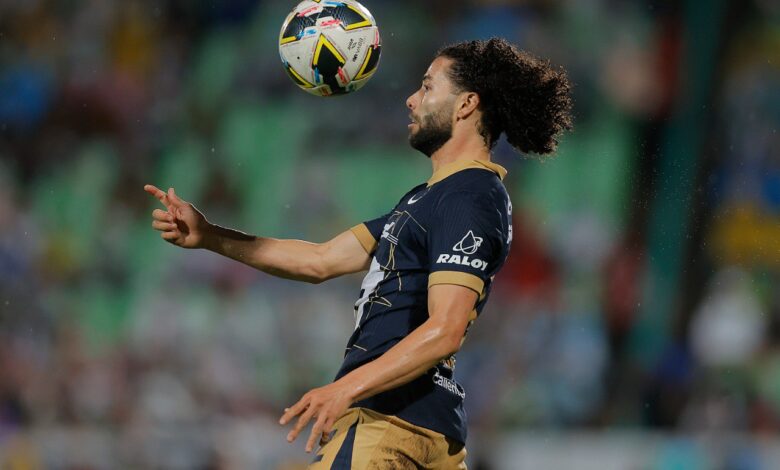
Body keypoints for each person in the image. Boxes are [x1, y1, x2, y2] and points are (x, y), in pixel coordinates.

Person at [145, 37, 572, 468]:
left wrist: (346, 388)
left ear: (466, 104)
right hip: (422, 429)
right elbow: (320, 260)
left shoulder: (471, 195)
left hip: (389, 425)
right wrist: (210, 236)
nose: (411, 100)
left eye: (427, 88)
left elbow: (447, 328)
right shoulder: (426, 200)